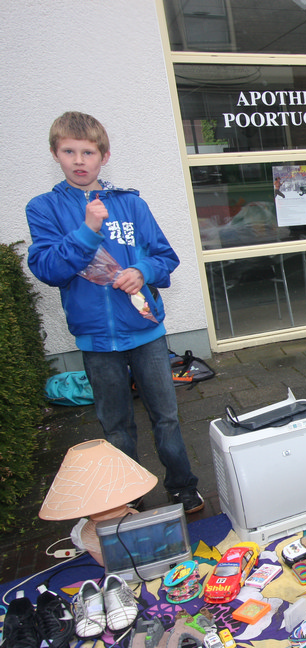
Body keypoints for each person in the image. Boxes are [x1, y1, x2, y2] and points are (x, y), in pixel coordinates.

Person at [26, 111, 204, 514]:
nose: (79, 160)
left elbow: (165, 257)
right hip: (96, 340)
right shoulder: (44, 208)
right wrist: (87, 230)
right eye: (69, 151)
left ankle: (182, 486)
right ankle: (127, 495)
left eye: (88, 152)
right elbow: (48, 269)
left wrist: (142, 272)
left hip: (145, 332)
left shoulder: (130, 204)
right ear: (55, 153)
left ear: (104, 157)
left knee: (166, 417)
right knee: (116, 426)